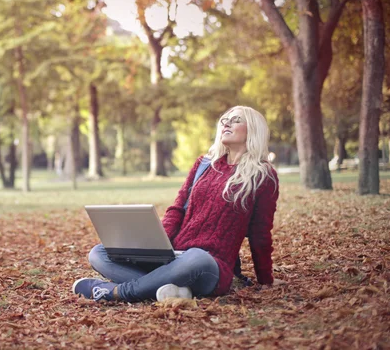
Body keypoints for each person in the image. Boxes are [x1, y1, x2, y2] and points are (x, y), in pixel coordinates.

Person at [72, 106, 279, 302]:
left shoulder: (262, 175)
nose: (227, 123)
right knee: (99, 253)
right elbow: (177, 209)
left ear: (253, 129)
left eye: (236, 120)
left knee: (197, 257)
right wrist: (158, 247)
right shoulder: (204, 164)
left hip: (210, 265)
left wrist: (265, 280)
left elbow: (261, 234)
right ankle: (175, 291)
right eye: (225, 120)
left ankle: (120, 292)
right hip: (174, 258)